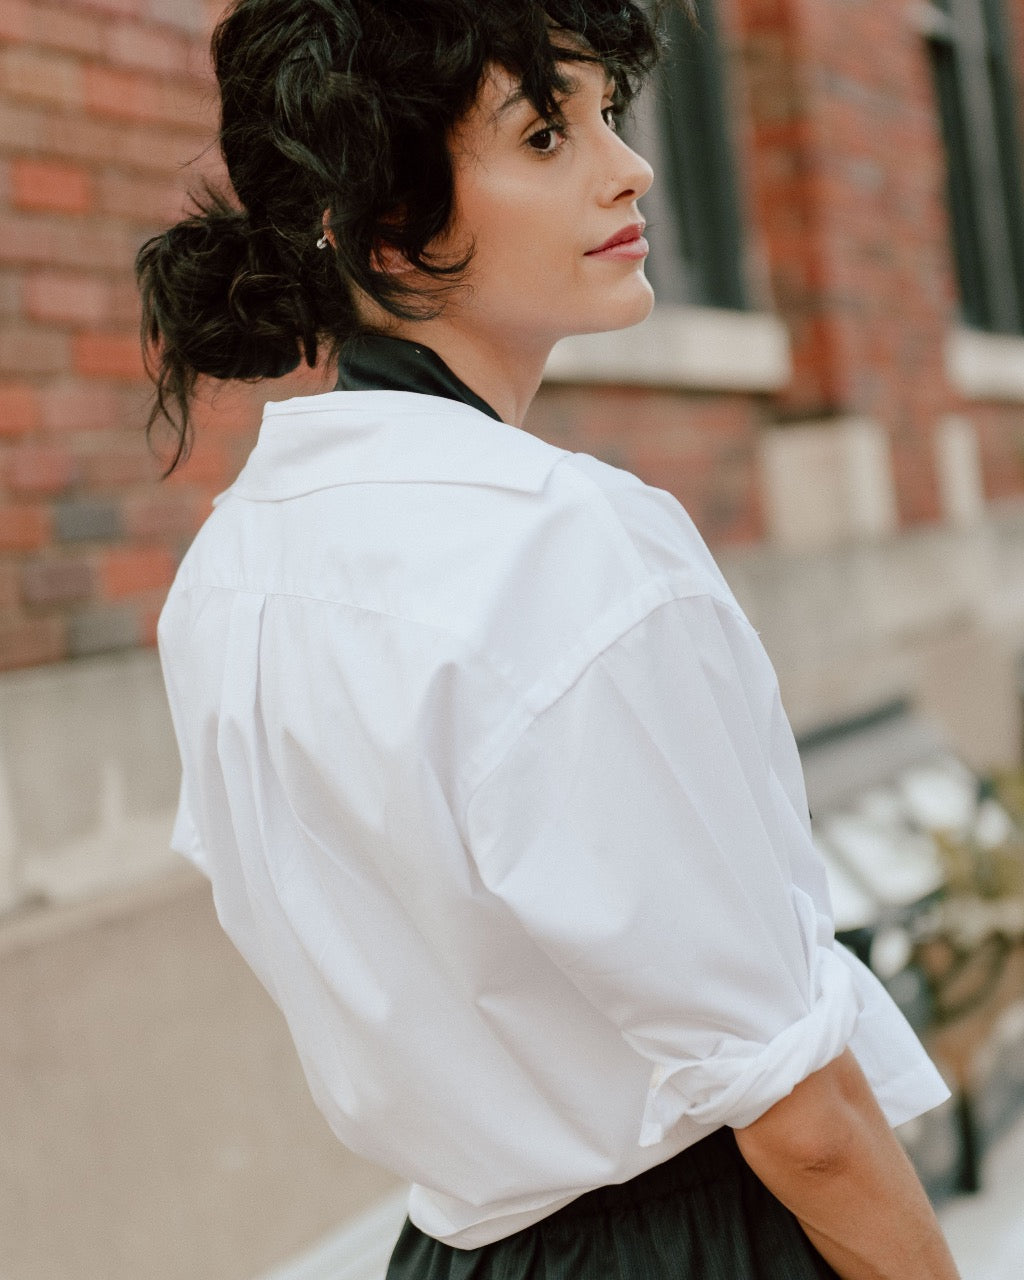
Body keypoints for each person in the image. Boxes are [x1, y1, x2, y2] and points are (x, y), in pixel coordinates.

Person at [138, 2, 962, 1277]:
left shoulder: (229, 572)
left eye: (608, 115)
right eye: (543, 135)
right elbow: (799, 1113)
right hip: (698, 1236)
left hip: (455, 1249)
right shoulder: (564, 541)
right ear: (386, 223)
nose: (627, 164)